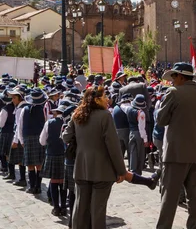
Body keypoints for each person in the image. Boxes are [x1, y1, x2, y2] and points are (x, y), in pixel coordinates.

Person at [62, 86, 159, 229]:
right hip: (102, 171)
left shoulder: (77, 114)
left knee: (80, 209)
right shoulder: (105, 116)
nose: (108, 99)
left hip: (81, 169)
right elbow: (113, 147)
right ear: (96, 100)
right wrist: (121, 171)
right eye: (104, 97)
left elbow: (65, 136)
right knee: (98, 212)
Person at [155, 63, 196, 229]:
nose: (172, 81)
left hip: (175, 154)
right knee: (194, 200)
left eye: (174, 77)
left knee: (169, 198)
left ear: (181, 77)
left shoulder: (174, 93)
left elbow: (161, 120)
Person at [40, 104, 68, 216]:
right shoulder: (69, 124)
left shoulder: (49, 123)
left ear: (56, 112)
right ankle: (64, 207)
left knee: (54, 180)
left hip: (52, 153)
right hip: (64, 155)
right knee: (63, 181)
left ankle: (56, 207)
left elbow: (42, 141)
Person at [122, 94, 149, 175]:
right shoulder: (141, 113)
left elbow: (122, 105)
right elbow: (141, 128)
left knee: (133, 151)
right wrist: (145, 139)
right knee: (140, 153)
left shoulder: (128, 109)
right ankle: (138, 170)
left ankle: (132, 169)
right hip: (139, 134)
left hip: (131, 132)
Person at [112, 94, 132, 160]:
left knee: (120, 151)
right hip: (126, 130)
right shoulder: (127, 107)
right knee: (129, 150)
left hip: (117, 130)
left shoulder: (115, 108)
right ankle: (130, 165)